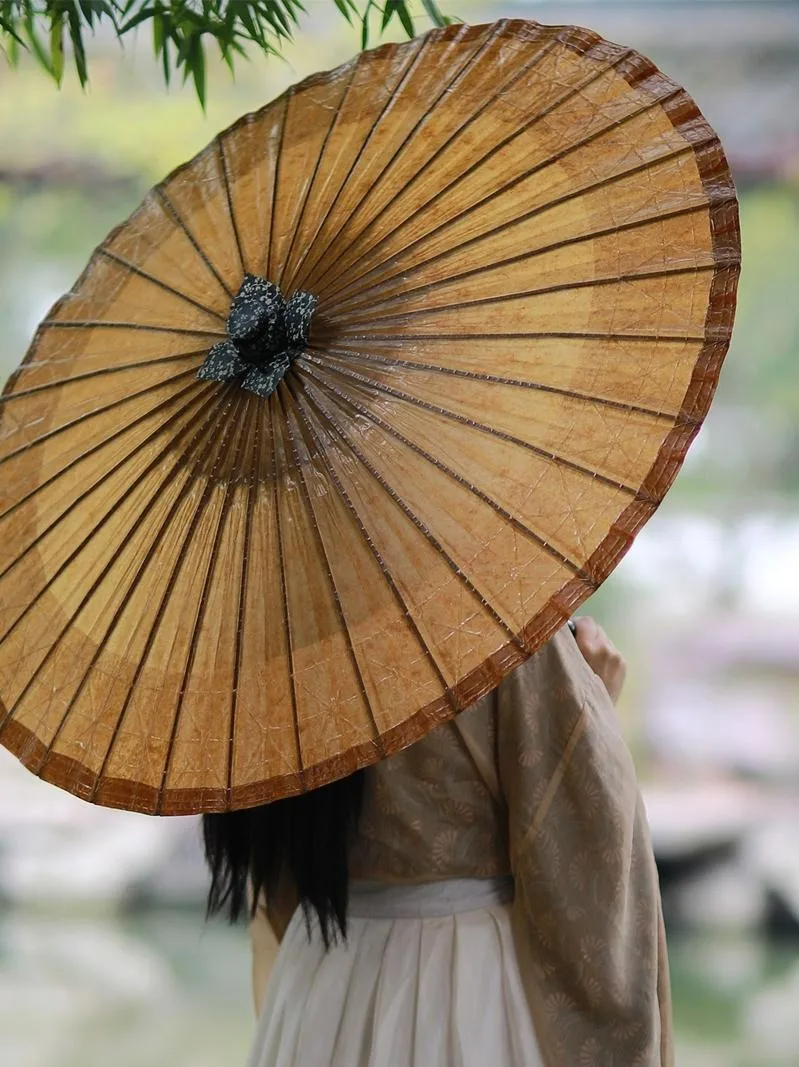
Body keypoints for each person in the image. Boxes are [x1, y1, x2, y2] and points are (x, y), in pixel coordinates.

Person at [203, 618, 673, 1067]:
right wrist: (592, 707)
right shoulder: (487, 612)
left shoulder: (271, 632)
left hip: (321, 979)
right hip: (468, 985)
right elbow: (580, 837)